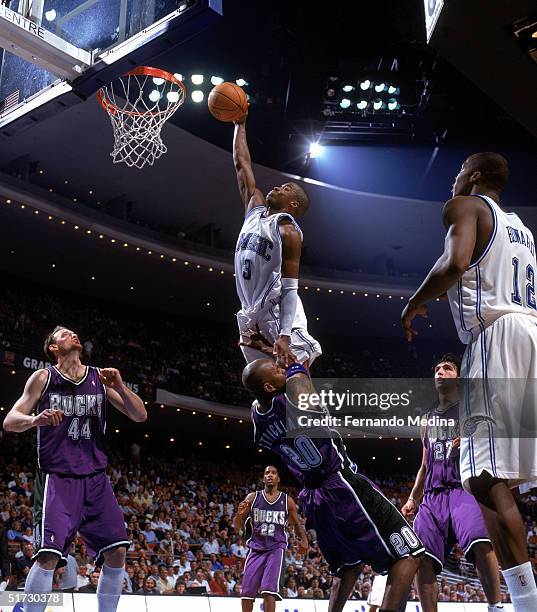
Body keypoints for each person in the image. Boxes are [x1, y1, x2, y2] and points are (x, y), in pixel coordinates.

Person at [401, 152, 537, 611]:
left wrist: (415, 302)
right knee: (497, 480)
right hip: (528, 335)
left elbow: (455, 262)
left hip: (495, 338)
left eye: (459, 170)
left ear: (475, 176)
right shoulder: (522, 228)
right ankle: (522, 599)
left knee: (484, 476)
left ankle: (525, 603)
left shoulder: (464, 207)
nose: (453, 177)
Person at [242, 359, 424, 612]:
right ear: (270, 387)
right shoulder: (291, 401)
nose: (281, 369)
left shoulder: (258, 419)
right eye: (276, 370)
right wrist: (296, 366)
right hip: (340, 484)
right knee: (410, 553)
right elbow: (306, 397)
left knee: (348, 566)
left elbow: (258, 392)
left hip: (314, 499)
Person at [2, 325, 147, 612]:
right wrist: (35, 420)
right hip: (58, 478)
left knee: (118, 551)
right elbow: (9, 421)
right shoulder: (43, 377)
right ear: (53, 347)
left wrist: (119, 386)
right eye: (64, 334)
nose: (73, 335)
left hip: (95, 478)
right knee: (48, 557)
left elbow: (140, 415)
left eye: (74, 333)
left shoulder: (99, 378)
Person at [401, 354, 502, 611]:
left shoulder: (472, 411)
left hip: (463, 489)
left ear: (458, 378)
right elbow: (424, 466)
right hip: (433, 497)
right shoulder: (426, 421)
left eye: (447, 368)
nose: (440, 372)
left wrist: (471, 439)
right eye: (437, 369)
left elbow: (494, 438)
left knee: (480, 543)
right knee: (420, 557)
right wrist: (413, 497)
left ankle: (496, 606)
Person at [233, 112, 321, 367]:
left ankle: (313, 409)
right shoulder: (254, 210)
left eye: (286, 189)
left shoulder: (287, 230)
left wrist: (284, 335)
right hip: (250, 313)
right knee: (262, 384)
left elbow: (291, 287)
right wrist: (240, 123)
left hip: (278, 312)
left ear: (293, 204)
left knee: (297, 374)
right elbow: (242, 164)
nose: (278, 187)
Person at [233, 465, 308, 611]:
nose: (270, 475)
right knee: (246, 594)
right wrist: (239, 514)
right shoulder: (253, 497)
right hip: (255, 549)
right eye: (267, 473)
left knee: (268, 591)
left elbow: (297, 524)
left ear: (278, 479)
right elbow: (237, 525)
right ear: (263, 478)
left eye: (273, 473)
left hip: (276, 549)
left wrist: (304, 540)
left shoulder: (287, 501)